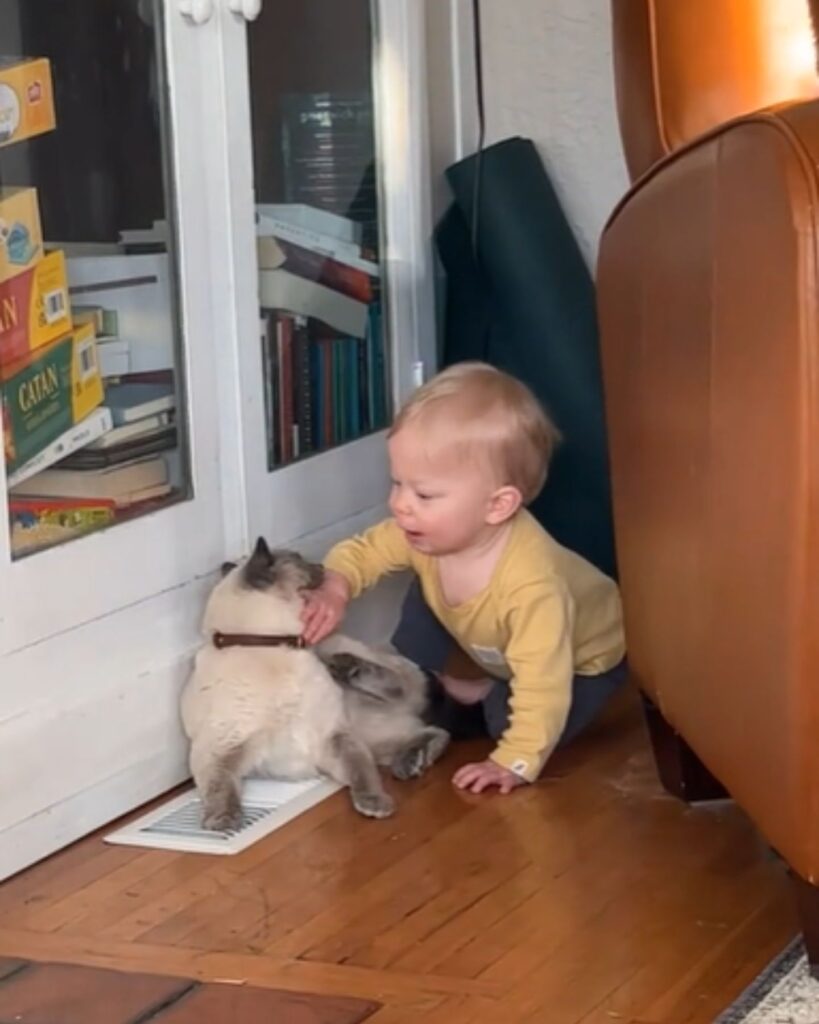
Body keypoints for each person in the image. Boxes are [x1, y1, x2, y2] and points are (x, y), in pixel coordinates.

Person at [302, 362, 627, 794]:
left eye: (424, 494)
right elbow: (365, 551)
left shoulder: (533, 588)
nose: (400, 504)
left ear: (497, 505)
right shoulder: (425, 534)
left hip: (581, 662)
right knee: (424, 576)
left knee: (514, 721)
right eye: (397, 483)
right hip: (501, 642)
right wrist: (335, 586)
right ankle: (419, 680)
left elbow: (543, 685)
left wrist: (513, 760)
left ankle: (484, 695)